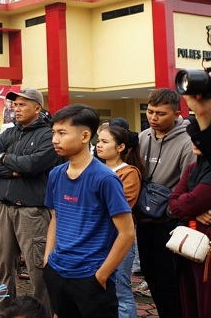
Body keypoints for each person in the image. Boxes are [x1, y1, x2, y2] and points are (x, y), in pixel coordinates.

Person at [43, 104, 135, 318]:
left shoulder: (105, 179)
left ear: (85, 136)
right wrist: (48, 260)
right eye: (54, 133)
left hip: (91, 277)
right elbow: (55, 218)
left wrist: (101, 275)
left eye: (62, 133)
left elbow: (127, 232)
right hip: (57, 271)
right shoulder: (56, 174)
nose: (55, 139)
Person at [0, 88, 60, 316]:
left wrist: (7, 159)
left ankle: (43, 314)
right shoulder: (8, 134)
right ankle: (3, 312)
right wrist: (16, 169)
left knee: (38, 271)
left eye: (22, 105)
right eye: (14, 105)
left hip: (32, 211)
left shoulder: (48, 135)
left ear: (37, 107)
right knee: (4, 268)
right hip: (4, 208)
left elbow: (34, 165)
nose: (16, 109)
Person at [137, 88, 195, 318]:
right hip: (144, 219)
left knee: (170, 281)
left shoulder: (188, 140)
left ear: (176, 113)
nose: (153, 118)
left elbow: (188, 184)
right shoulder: (143, 137)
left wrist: (171, 212)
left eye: (160, 114)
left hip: (171, 223)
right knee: (150, 276)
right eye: (150, 112)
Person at [95, 124, 144, 318]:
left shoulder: (129, 173)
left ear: (121, 147)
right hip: (97, 239)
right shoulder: (95, 169)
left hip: (119, 239)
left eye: (105, 142)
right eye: (98, 141)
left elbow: (120, 207)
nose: (99, 145)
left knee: (120, 290)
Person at [174, 88, 211, 317]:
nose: (195, 142)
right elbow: (174, 203)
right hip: (189, 242)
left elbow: (189, 201)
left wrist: (188, 205)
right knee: (191, 298)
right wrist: (193, 212)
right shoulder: (192, 167)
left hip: (206, 249)